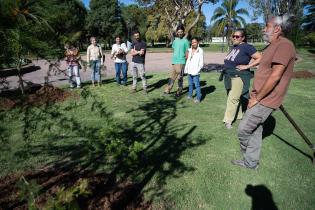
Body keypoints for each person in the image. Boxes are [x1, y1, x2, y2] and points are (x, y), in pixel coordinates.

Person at [231, 14, 296, 169]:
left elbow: (275, 76)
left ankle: (249, 159)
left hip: (266, 99)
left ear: (277, 29)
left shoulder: (285, 45)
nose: (263, 28)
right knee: (255, 130)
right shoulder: (273, 45)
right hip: (259, 96)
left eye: (266, 26)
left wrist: (257, 98)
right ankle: (251, 163)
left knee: (243, 130)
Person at [221, 29, 262, 129]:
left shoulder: (247, 47)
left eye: (237, 36)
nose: (234, 38)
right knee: (234, 97)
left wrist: (247, 66)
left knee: (233, 98)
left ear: (243, 38)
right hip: (228, 75)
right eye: (233, 36)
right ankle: (238, 116)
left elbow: (260, 57)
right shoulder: (234, 47)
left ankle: (228, 120)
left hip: (238, 76)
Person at [164, 25, 190, 97]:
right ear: (177, 33)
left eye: (181, 32)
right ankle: (167, 90)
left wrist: (185, 59)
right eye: (179, 32)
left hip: (181, 62)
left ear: (183, 32)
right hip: (174, 62)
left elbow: (187, 51)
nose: (180, 33)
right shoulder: (175, 41)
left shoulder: (186, 41)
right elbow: (174, 49)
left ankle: (179, 90)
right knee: (172, 77)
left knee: (180, 77)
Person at [184, 37, 204, 103]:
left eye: (195, 42)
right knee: (190, 84)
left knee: (197, 85)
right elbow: (187, 59)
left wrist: (197, 70)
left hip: (195, 72)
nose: (193, 44)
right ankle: (190, 95)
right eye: (192, 42)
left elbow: (201, 63)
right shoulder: (189, 50)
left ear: (197, 42)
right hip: (189, 70)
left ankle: (198, 98)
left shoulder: (200, 50)